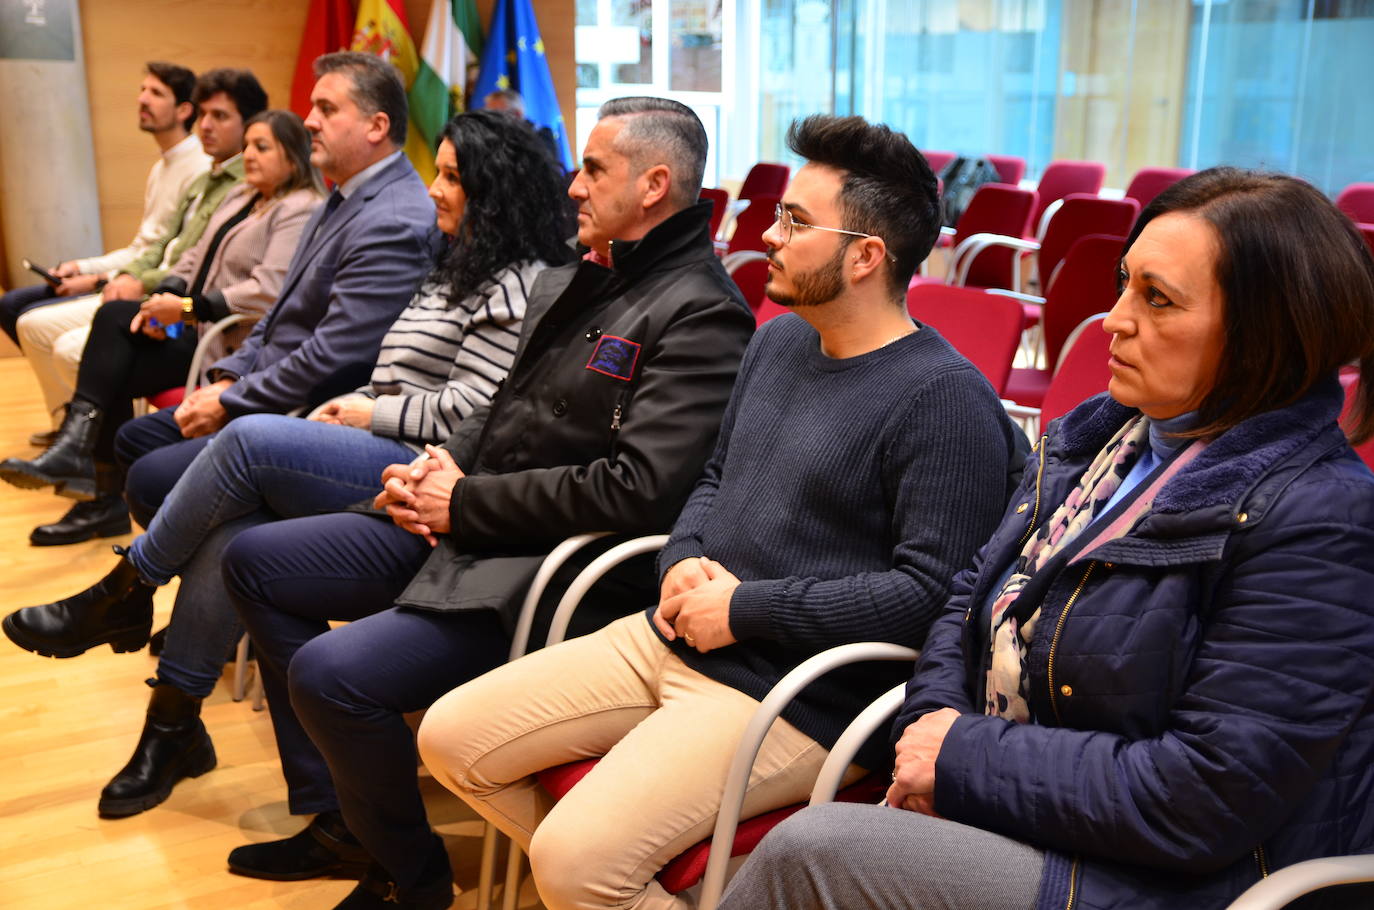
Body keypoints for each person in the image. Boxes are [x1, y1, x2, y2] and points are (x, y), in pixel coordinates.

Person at [713, 168, 1374, 910]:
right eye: (1125, 284)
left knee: (811, 854)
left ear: (1265, 340)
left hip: (1167, 880)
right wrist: (933, 723)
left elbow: (1206, 797)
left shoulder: (1324, 518)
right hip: (1035, 809)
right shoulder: (1103, 443)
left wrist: (962, 756)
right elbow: (971, 597)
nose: (1112, 321)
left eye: (1157, 300)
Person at [416, 115, 1025, 910]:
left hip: (797, 691)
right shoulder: (778, 344)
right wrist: (681, 564)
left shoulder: (945, 403)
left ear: (867, 256)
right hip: (678, 627)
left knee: (570, 861)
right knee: (449, 738)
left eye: (794, 222)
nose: (766, 236)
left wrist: (743, 608)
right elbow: (709, 480)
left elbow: (927, 597)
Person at [221, 96, 755, 910]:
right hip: (470, 523)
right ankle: (343, 819)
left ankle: (413, 877)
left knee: (332, 674)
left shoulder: (702, 311)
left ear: (653, 186)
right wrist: (437, 465)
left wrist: (464, 501)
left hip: (541, 570)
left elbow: (641, 491)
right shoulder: (595, 270)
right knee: (255, 562)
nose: (572, 188)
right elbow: (502, 405)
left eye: (593, 170)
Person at [0, 108, 568, 822]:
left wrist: (367, 413)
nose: (434, 188)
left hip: (421, 465)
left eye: (453, 176)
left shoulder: (519, 284)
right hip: (375, 433)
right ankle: (172, 724)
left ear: (497, 190)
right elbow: (395, 369)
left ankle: (128, 585)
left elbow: (476, 413)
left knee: (247, 441)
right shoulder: (458, 264)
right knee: (229, 534)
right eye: (438, 170)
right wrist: (352, 404)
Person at [110, 50, 438, 529]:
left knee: (148, 478)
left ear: (376, 126)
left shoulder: (391, 218)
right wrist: (228, 380)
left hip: (303, 411)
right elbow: (276, 314)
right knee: (134, 440)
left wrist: (233, 400)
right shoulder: (343, 195)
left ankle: (199, 564)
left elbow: (334, 355)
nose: (309, 122)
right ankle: (199, 563)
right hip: (261, 389)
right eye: (313, 108)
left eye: (327, 109)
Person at [0, 109, 323, 546]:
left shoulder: (300, 208)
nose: (248, 155)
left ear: (294, 157)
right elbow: (191, 258)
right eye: (247, 145)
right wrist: (161, 299)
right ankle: (83, 458)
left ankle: (95, 486)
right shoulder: (243, 195)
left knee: (108, 366)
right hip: (192, 326)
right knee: (115, 324)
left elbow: (267, 291)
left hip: (227, 343)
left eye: (261, 147)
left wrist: (186, 308)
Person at [14, 68, 263, 441]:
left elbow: (259, 288)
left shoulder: (252, 189)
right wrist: (132, 282)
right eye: (205, 113)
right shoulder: (208, 179)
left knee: (78, 349)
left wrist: (173, 301)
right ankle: (80, 444)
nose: (204, 125)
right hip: (177, 300)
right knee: (52, 323)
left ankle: (88, 447)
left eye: (220, 116)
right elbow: (175, 252)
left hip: (209, 325)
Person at [0, 61, 210, 395]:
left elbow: (172, 259)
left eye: (156, 93)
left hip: (156, 289)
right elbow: (143, 247)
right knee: (14, 306)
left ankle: (82, 424)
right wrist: (82, 268)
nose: (142, 99)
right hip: (135, 275)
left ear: (185, 109)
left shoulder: (201, 168)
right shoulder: (162, 167)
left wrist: (100, 279)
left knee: (31, 320)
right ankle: (73, 420)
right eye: (142, 90)